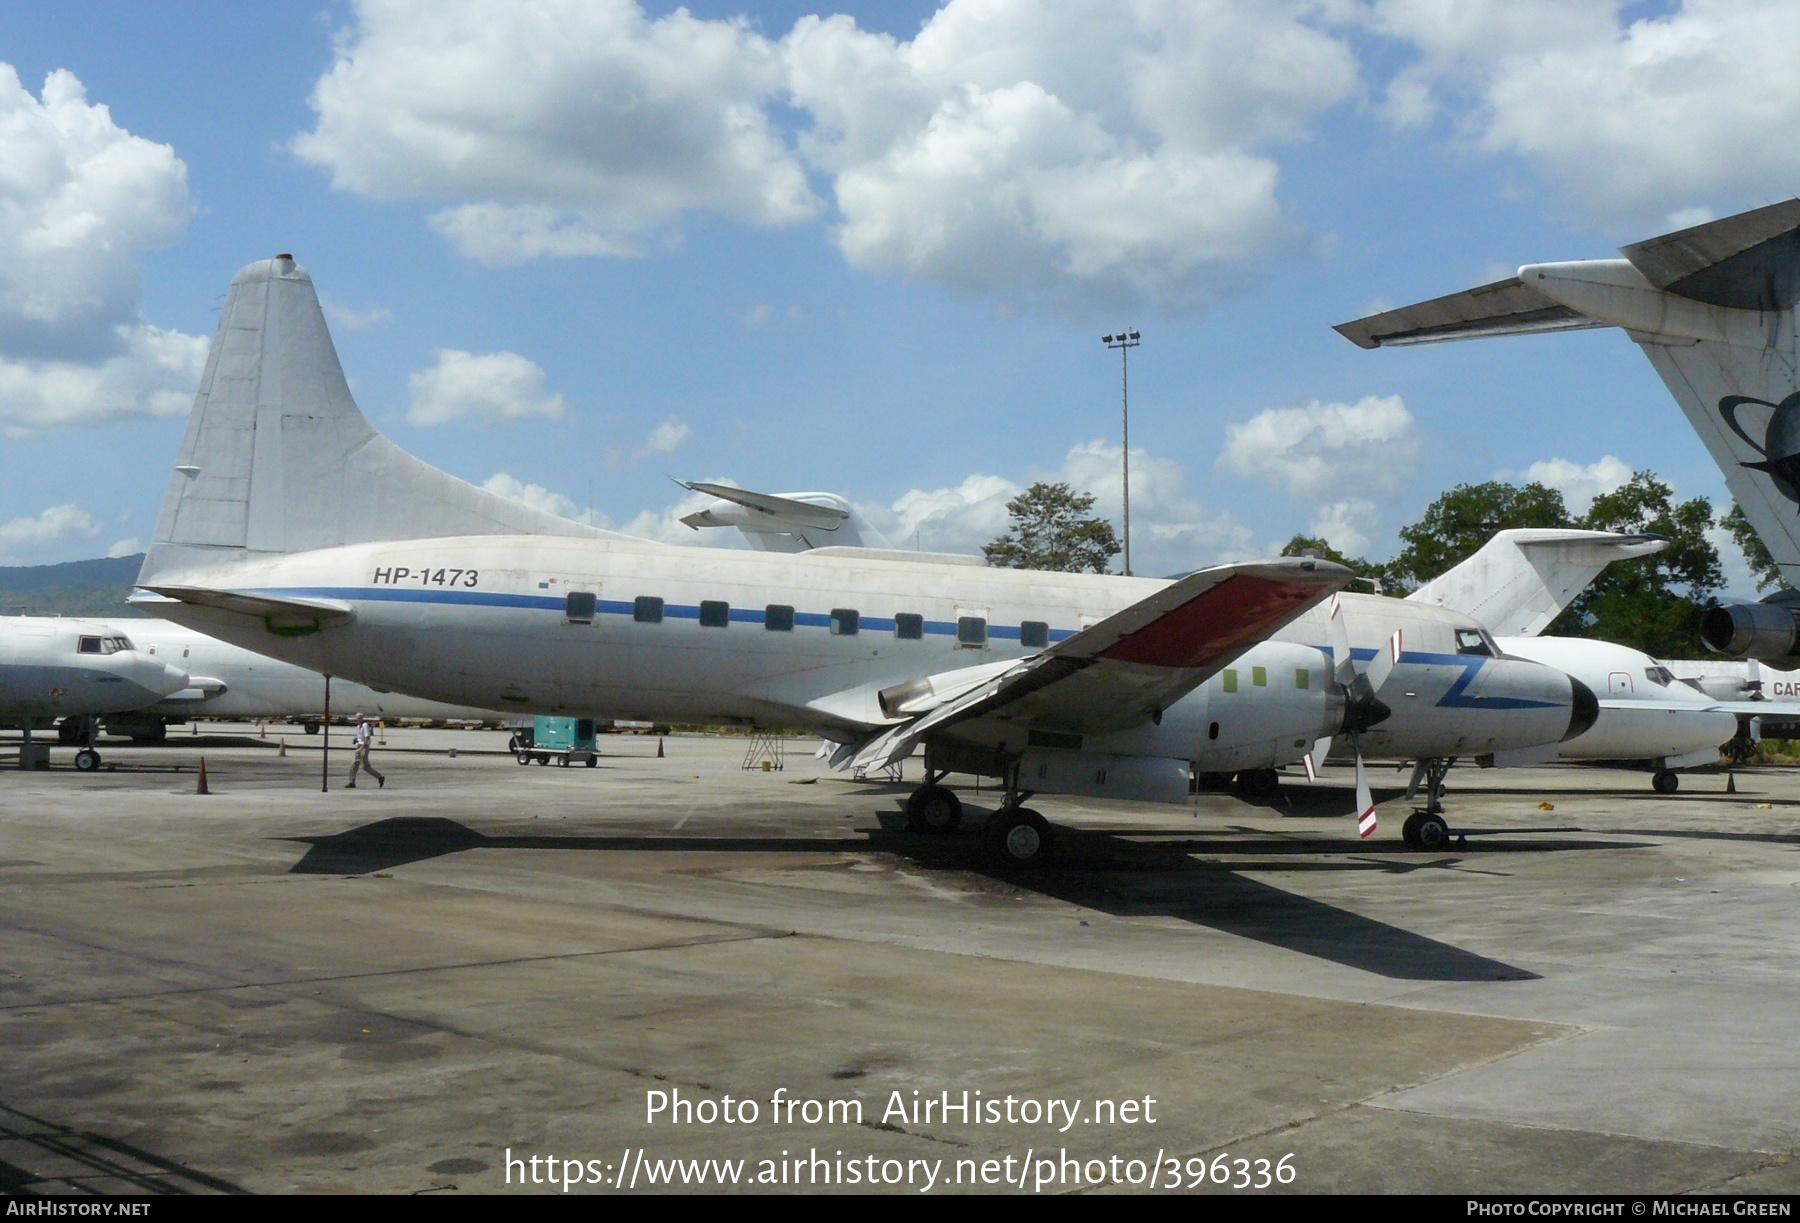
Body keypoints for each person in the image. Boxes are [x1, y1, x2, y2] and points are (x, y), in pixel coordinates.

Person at [346, 713, 386, 788]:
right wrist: (356, 740)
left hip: (364, 746)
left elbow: (367, 737)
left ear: (362, 718)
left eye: (360, 718)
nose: (358, 719)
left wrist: (361, 748)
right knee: (355, 765)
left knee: (364, 766)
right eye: (357, 718)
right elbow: (359, 737)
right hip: (359, 745)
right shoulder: (358, 726)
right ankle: (352, 782)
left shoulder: (365, 725)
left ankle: (380, 777)